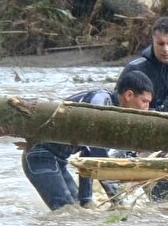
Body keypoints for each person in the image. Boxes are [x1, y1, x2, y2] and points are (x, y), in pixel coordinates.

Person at [22, 70, 154, 211]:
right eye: (144, 101)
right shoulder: (101, 104)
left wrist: (86, 200)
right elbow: (99, 158)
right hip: (39, 156)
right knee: (67, 211)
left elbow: (88, 159)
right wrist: (117, 200)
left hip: (58, 161)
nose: (146, 108)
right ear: (129, 95)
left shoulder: (114, 112)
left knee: (79, 209)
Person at [124, 16, 168, 112]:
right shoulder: (134, 69)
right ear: (153, 41)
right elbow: (121, 106)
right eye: (161, 44)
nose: (165, 49)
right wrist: (161, 109)